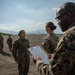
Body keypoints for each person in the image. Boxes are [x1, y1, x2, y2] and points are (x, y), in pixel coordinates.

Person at [32, 2, 75, 75]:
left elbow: (54, 72)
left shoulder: (68, 36)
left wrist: (38, 62)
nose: (58, 23)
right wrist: (55, 56)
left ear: (68, 15)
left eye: (59, 18)